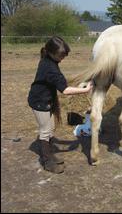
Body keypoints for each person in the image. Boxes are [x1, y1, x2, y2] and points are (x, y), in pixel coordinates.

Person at [28, 36, 93, 173]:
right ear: (51, 52)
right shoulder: (49, 67)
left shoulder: (49, 59)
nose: (63, 57)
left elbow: (60, 83)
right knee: (45, 132)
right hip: (39, 102)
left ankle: (49, 154)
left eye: (65, 54)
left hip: (47, 100)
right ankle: (47, 162)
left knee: (50, 129)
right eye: (61, 54)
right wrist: (85, 90)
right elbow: (65, 90)